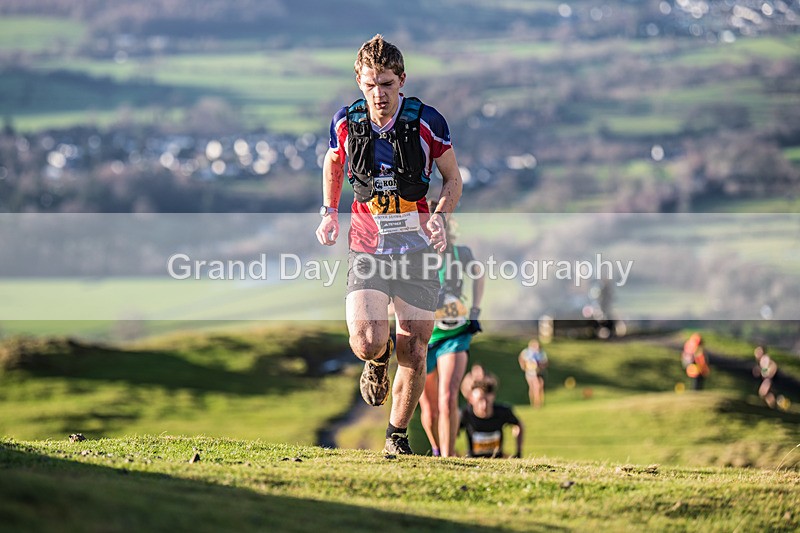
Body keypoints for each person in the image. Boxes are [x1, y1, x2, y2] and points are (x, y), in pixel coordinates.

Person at [315, 35, 463, 455]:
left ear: (401, 80)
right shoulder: (346, 122)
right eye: (369, 85)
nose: (378, 94)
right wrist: (328, 210)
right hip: (368, 244)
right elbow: (334, 160)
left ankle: (396, 437)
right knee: (366, 340)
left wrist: (440, 217)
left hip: (417, 247)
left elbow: (453, 179)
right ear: (359, 83)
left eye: (386, 84)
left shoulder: (427, 122)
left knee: (415, 346)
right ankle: (375, 361)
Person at [418, 206, 486, 457]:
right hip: (423, 337)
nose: (434, 230)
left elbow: (479, 275)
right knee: (430, 408)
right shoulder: (413, 255)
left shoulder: (461, 253)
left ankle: (447, 457)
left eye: (439, 225)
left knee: (448, 398)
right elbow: (392, 300)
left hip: (455, 334)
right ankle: (437, 448)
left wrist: (475, 310)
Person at [460, 378, 523, 458]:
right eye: (480, 400)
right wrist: (452, 452)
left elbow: (518, 425)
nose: (484, 405)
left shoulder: (502, 412)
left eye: (487, 401)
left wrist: (518, 452)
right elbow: (451, 431)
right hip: (472, 460)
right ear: (471, 399)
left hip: (498, 459)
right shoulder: (466, 414)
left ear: (493, 398)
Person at [518, 339, 548, 408]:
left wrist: (541, 366)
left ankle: (539, 402)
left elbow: (545, 362)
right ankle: (535, 403)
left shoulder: (541, 353)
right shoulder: (527, 352)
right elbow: (521, 358)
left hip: (540, 372)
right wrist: (523, 367)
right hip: (531, 372)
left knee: (540, 386)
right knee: (534, 387)